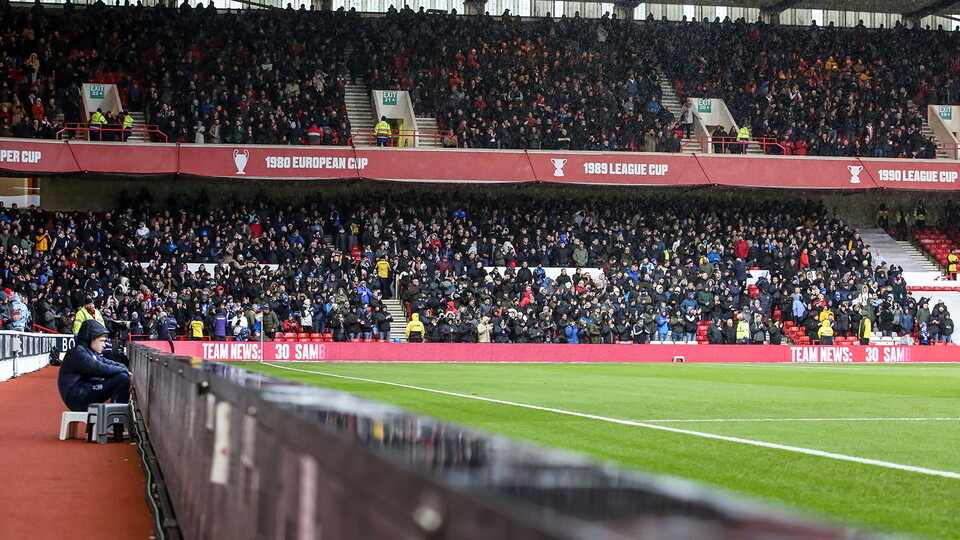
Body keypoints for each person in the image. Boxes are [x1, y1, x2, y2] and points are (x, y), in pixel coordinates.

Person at [57, 320, 130, 412]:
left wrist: (123, 369)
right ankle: (115, 420)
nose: (104, 345)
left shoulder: (89, 352)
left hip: (83, 392)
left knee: (122, 377)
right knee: (122, 379)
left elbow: (106, 362)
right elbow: (99, 368)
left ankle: (115, 418)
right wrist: (125, 371)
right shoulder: (78, 353)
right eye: (102, 341)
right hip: (77, 398)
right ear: (90, 338)